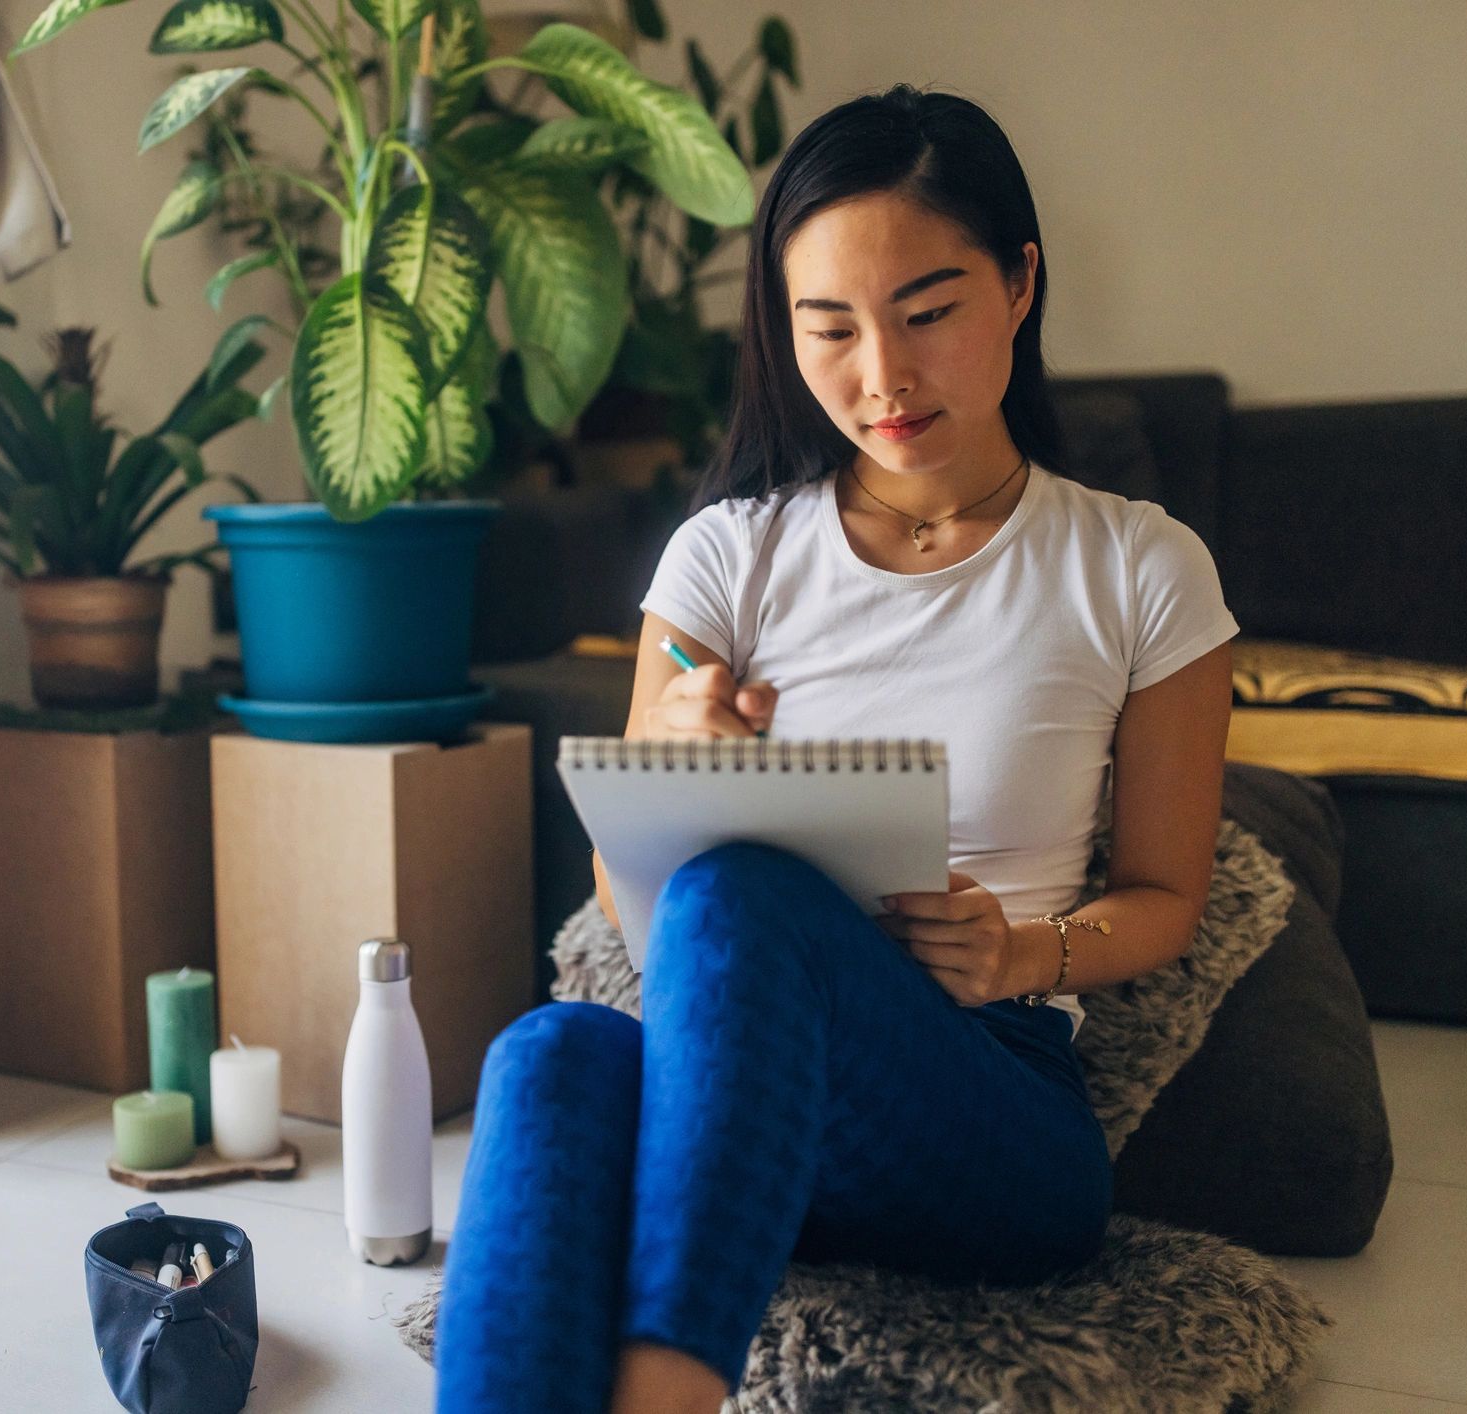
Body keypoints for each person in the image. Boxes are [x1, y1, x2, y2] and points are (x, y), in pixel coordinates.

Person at [432, 83, 1238, 1414]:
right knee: (547, 1053)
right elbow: (631, 911)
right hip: (748, 1103)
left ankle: (666, 1394)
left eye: (928, 313)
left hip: (991, 1106)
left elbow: (1168, 897)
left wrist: (1024, 951)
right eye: (831, 328)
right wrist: (674, 763)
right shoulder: (726, 559)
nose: (884, 375)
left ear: (1022, 280)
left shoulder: (1138, 566)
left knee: (748, 895)